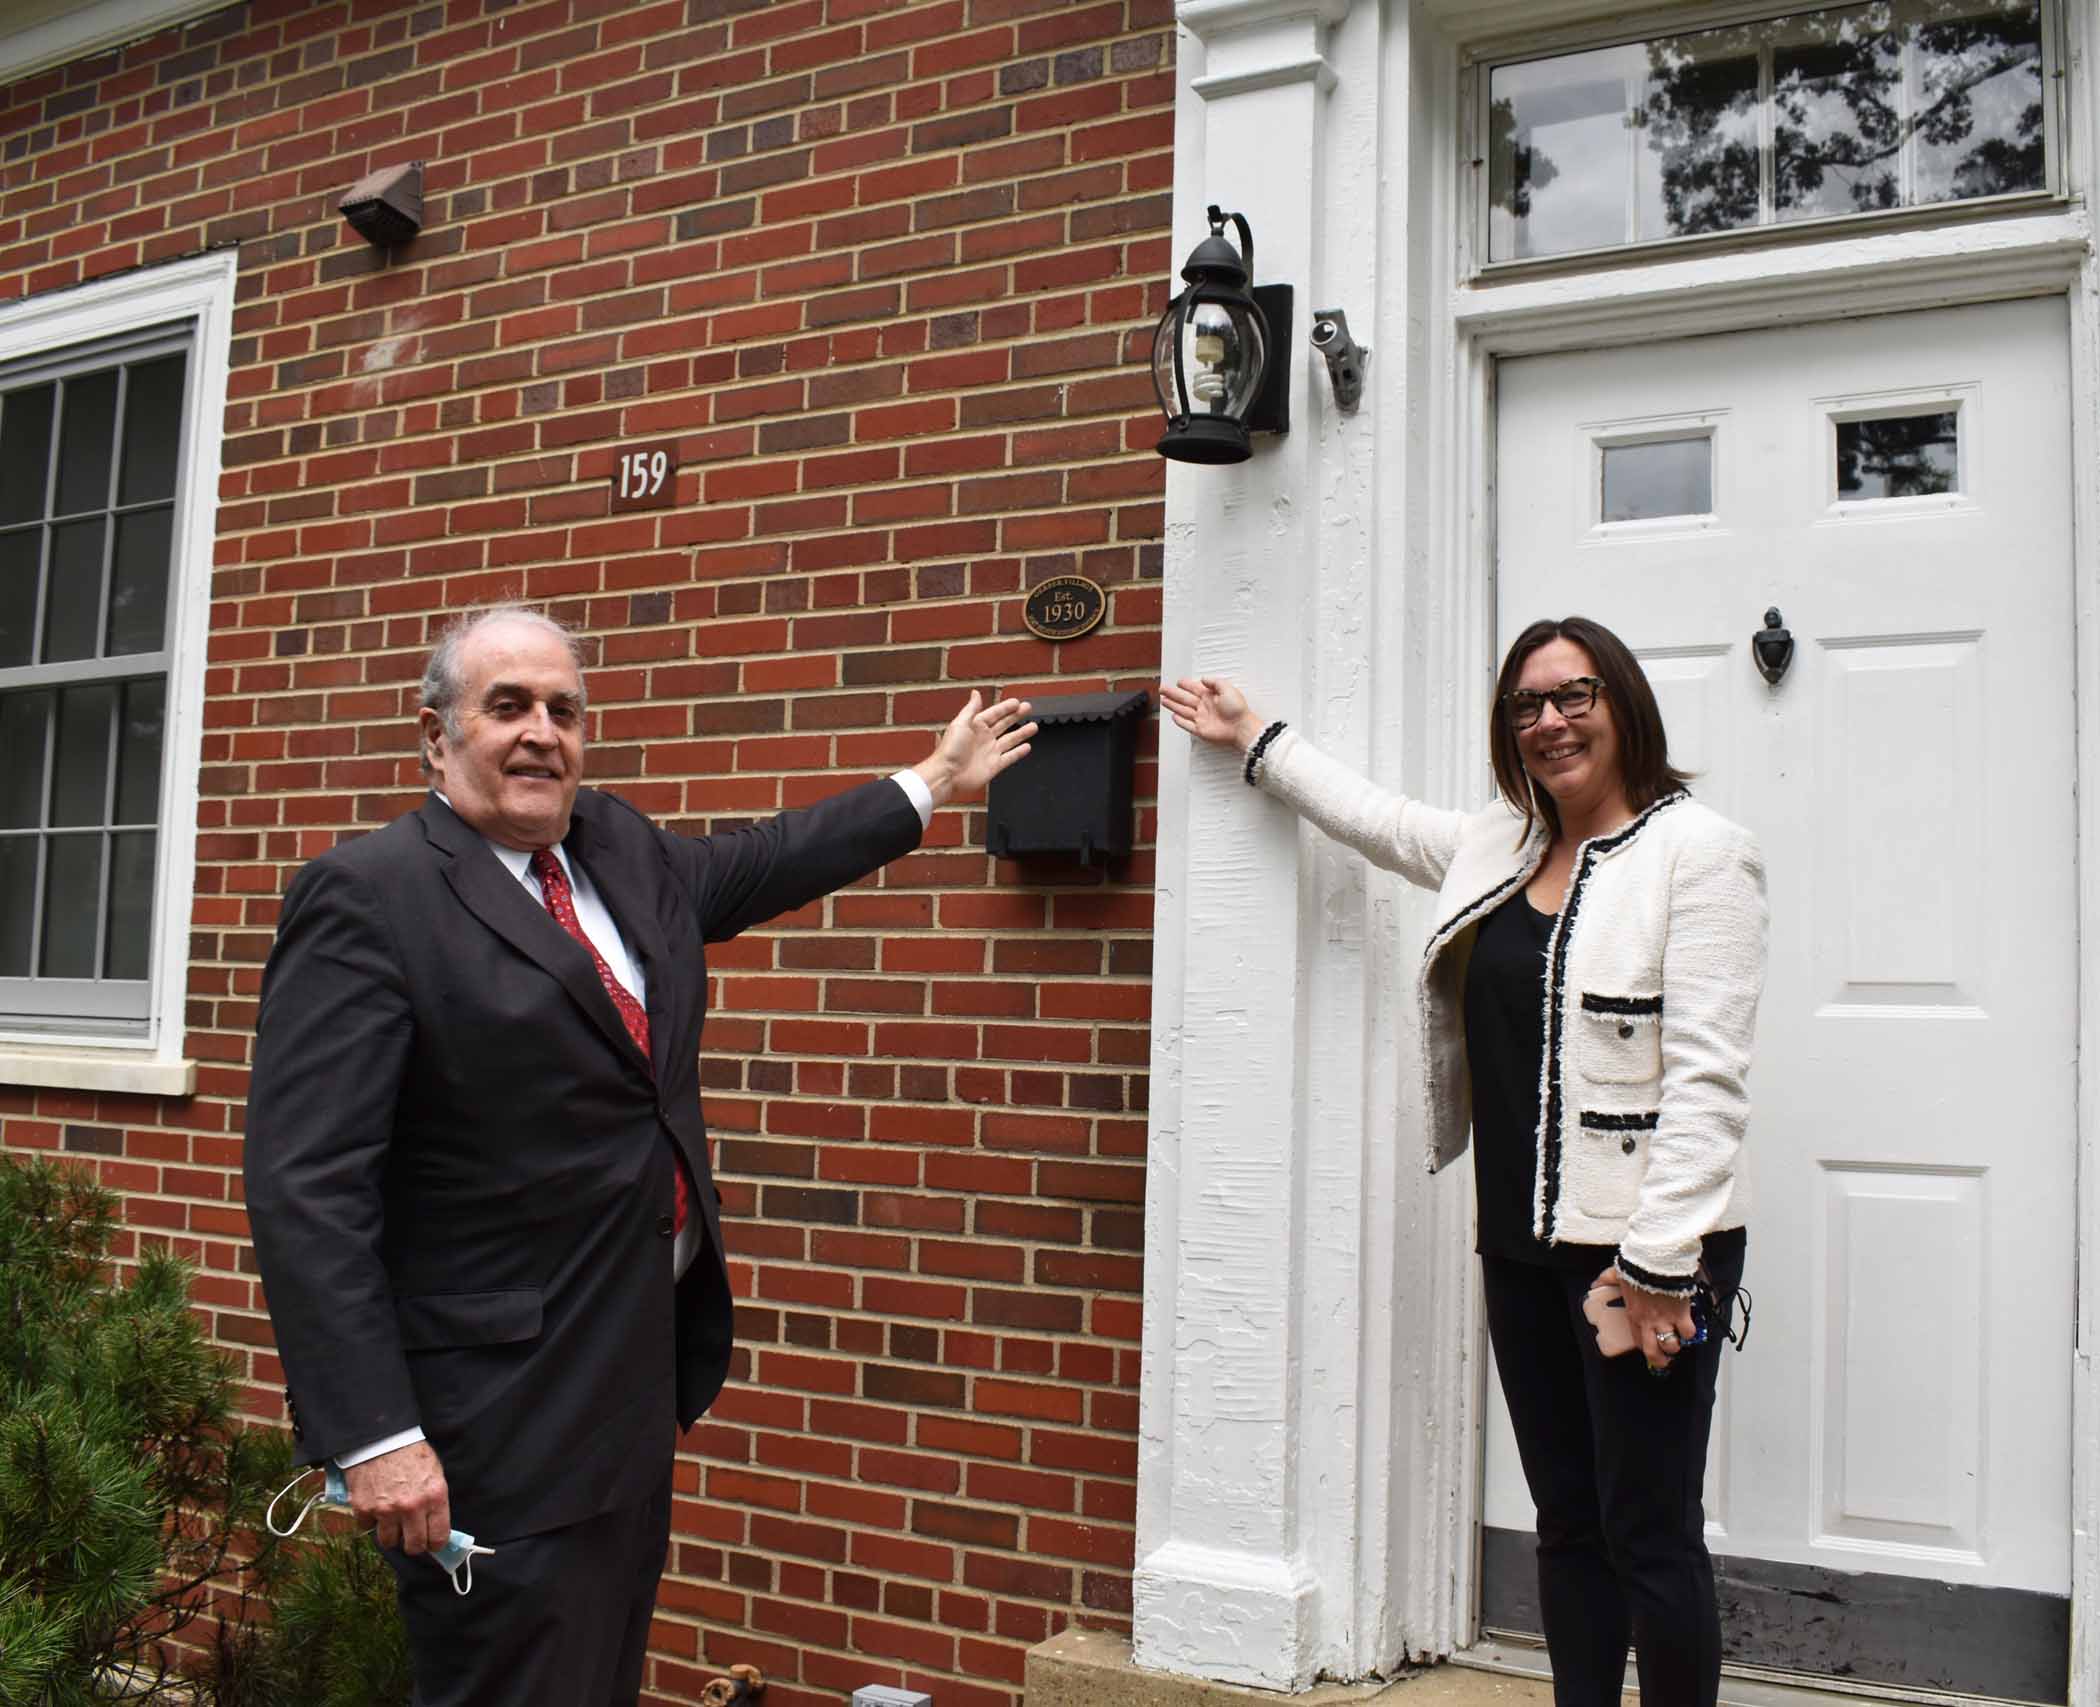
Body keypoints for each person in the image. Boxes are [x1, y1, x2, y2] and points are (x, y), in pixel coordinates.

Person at [243, 605, 1034, 1706]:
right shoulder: (373, 898)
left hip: (626, 1386)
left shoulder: (617, 848)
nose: (540, 734)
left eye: (563, 711)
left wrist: (928, 785)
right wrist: (374, 1434)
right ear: (436, 737)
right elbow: (307, 1188)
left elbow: (763, 862)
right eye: (507, 706)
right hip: (491, 1417)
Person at [1162, 615, 1764, 1707]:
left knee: (1653, 1529)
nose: (1549, 723)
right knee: (1568, 1520)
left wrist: (1661, 1262)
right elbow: (1385, 825)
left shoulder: (1699, 852)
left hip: (1649, 1257)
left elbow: (1710, 1085)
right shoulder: (1503, 843)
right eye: (1526, 706)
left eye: (1573, 696)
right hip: (1525, 1248)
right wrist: (1259, 741)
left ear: (1623, 704)